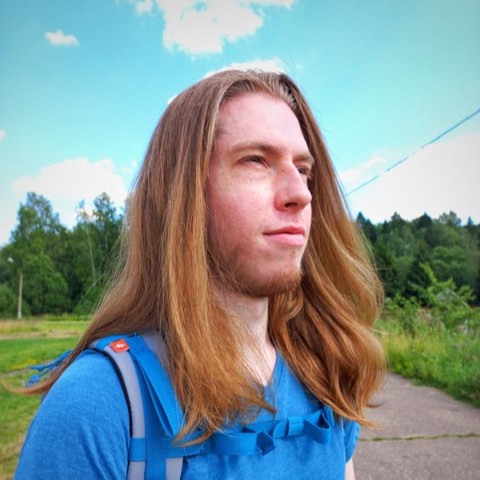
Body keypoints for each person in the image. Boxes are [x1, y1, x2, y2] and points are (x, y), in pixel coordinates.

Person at [15, 70, 385, 479]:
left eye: (303, 169)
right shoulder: (96, 408)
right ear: (182, 195)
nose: (300, 193)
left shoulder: (326, 371)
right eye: (256, 160)